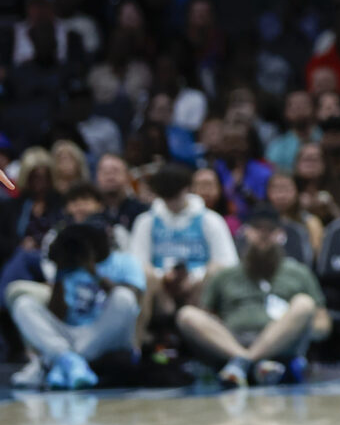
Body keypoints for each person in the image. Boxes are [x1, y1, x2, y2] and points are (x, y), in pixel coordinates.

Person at [176, 205, 329, 388]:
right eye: (257, 229)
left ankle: (244, 362)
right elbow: (207, 315)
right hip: (232, 340)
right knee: (187, 314)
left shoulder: (299, 272)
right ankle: (251, 361)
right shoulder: (225, 274)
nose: (263, 235)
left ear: (280, 234)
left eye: (270, 230)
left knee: (304, 303)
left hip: (282, 343)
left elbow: (323, 322)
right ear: (246, 232)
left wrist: (301, 328)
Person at [8, 222, 144, 390]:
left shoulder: (123, 261)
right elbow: (57, 315)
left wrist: (95, 273)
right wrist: (59, 273)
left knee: (123, 297)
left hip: (103, 335)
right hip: (70, 336)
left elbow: (133, 301)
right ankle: (69, 360)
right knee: (23, 304)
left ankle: (59, 363)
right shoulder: (66, 269)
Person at [129, 164, 239, 324]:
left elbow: (228, 263)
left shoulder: (210, 220)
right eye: (166, 198)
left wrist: (194, 279)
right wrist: (163, 278)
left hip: (198, 287)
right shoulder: (146, 221)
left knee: (215, 269)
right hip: (161, 289)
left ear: (188, 189)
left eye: (175, 197)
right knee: (145, 274)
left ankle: (201, 323)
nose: (171, 204)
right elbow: (137, 262)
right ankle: (139, 341)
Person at [264, 90, 320, 173]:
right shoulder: (277, 146)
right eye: (294, 105)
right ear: (286, 113)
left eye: (304, 104)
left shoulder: (325, 138)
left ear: (314, 109)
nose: (299, 108)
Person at [94, 154, 148, 232]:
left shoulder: (142, 212)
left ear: (128, 176)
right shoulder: (93, 215)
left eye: (115, 171)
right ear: (97, 177)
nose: (110, 177)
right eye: (105, 172)